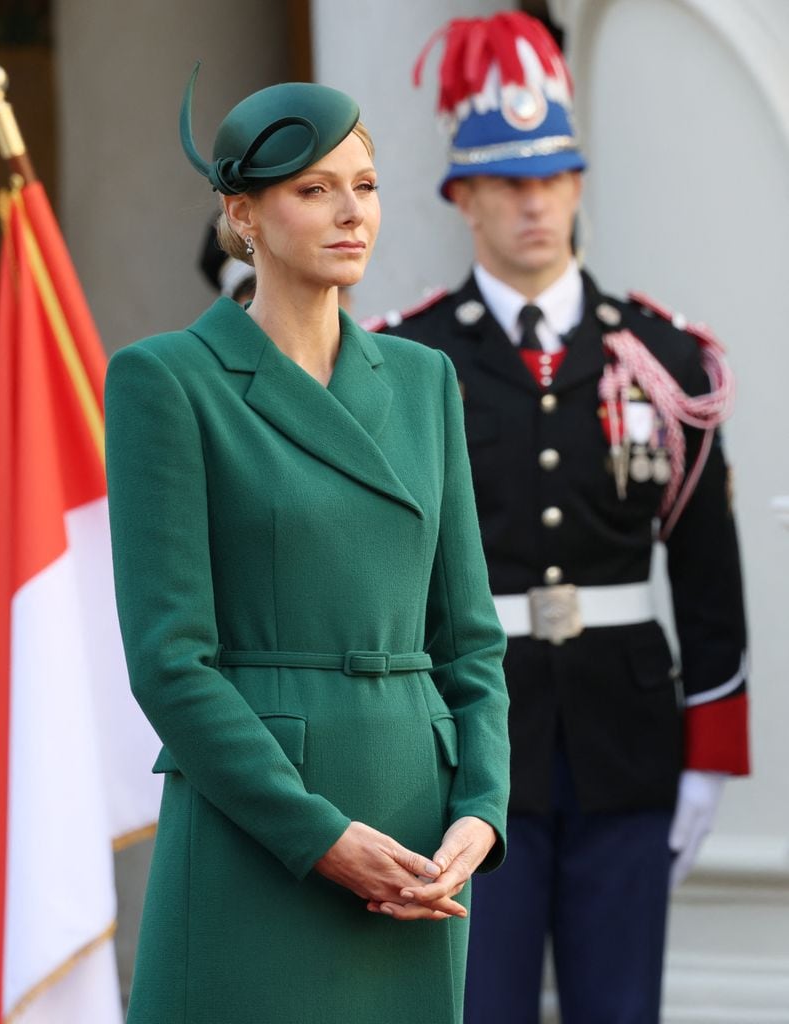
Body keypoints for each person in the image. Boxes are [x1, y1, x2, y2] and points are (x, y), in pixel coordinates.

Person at [104, 64, 510, 1024]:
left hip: (417, 834)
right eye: (313, 189)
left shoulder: (424, 381)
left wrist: (480, 813)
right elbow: (171, 664)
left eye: (363, 186)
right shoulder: (168, 380)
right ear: (242, 215)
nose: (350, 213)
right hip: (262, 833)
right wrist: (319, 836)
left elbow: (470, 641)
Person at [374, 12, 750, 1024]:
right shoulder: (408, 364)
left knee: (617, 1010)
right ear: (461, 195)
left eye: (549, 176)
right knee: (477, 1007)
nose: (531, 201)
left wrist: (708, 756)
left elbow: (707, 572)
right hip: (464, 749)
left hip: (624, 743)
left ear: (577, 182)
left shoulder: (662, 361)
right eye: (505, 180)